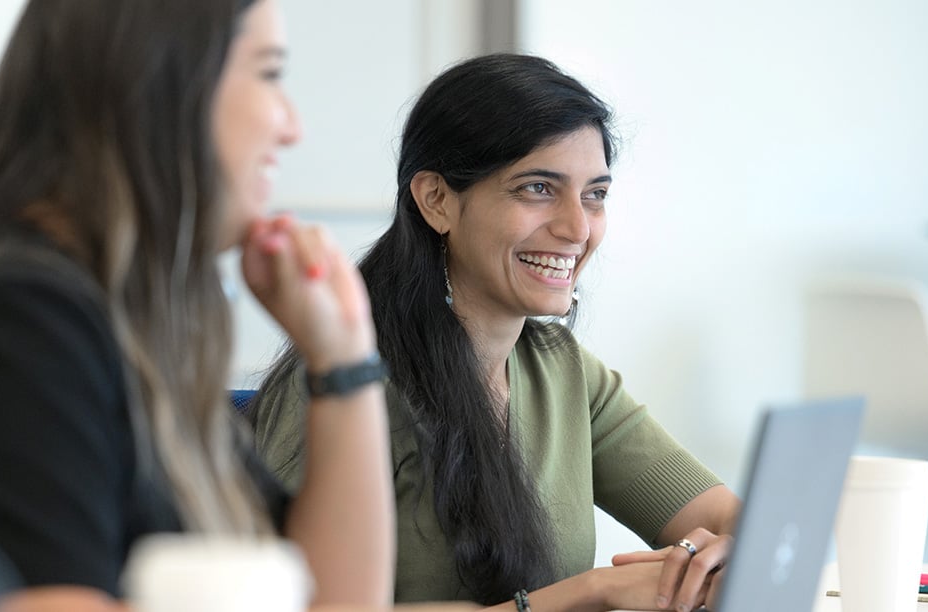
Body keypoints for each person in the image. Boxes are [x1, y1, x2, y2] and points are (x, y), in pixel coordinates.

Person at [0, 1, 397, 610]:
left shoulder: (136, 329)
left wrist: (345, 358)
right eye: (269, 73)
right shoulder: (15, 322)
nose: (291, 125)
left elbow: (337, 602)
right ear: (162, 85)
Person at [248, 53, 742, 612]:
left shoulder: (562, 369)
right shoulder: (342, 382)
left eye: (595, 194)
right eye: (536, 188)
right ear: (437, 200)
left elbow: (728, 517)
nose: (577, 228)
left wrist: (723, 553)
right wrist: (592, 590)